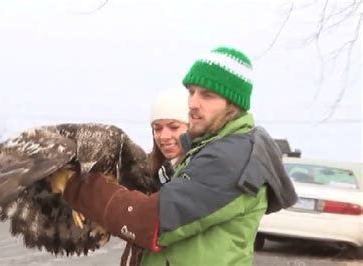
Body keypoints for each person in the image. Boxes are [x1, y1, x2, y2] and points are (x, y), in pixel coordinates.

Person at [63, 46, 298, 265]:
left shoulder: (232, 157)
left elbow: (150, 222)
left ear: (232, 104)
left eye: (207, 95)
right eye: (191, 92)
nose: (193, 103)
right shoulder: (209, 149)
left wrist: (74, 185)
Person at [121, 87, 189, 266]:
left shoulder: (199, 173)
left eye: (174, 126)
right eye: (157, 129)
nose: (164, 136)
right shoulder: (151, 173)